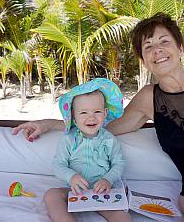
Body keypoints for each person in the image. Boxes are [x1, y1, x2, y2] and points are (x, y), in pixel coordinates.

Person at [13, 13, 184, 222]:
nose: (157, 50)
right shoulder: (149, 98)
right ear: (144, 60)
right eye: (148, 47)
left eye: (164, 41)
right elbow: (100, 127)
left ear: (180, 47)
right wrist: (48, 124)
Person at [43, 78, 131, 222]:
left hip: (102, 191)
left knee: (123, 217)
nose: (91, 117)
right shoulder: (68, 140)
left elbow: (118, 163)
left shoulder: (109, 140)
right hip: (75, 191)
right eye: (83, 113)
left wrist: (107, 180)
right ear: (74, 117)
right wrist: (71, 176)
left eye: (97, 111)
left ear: (105, 113)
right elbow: (58, 164)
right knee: (51, 195)